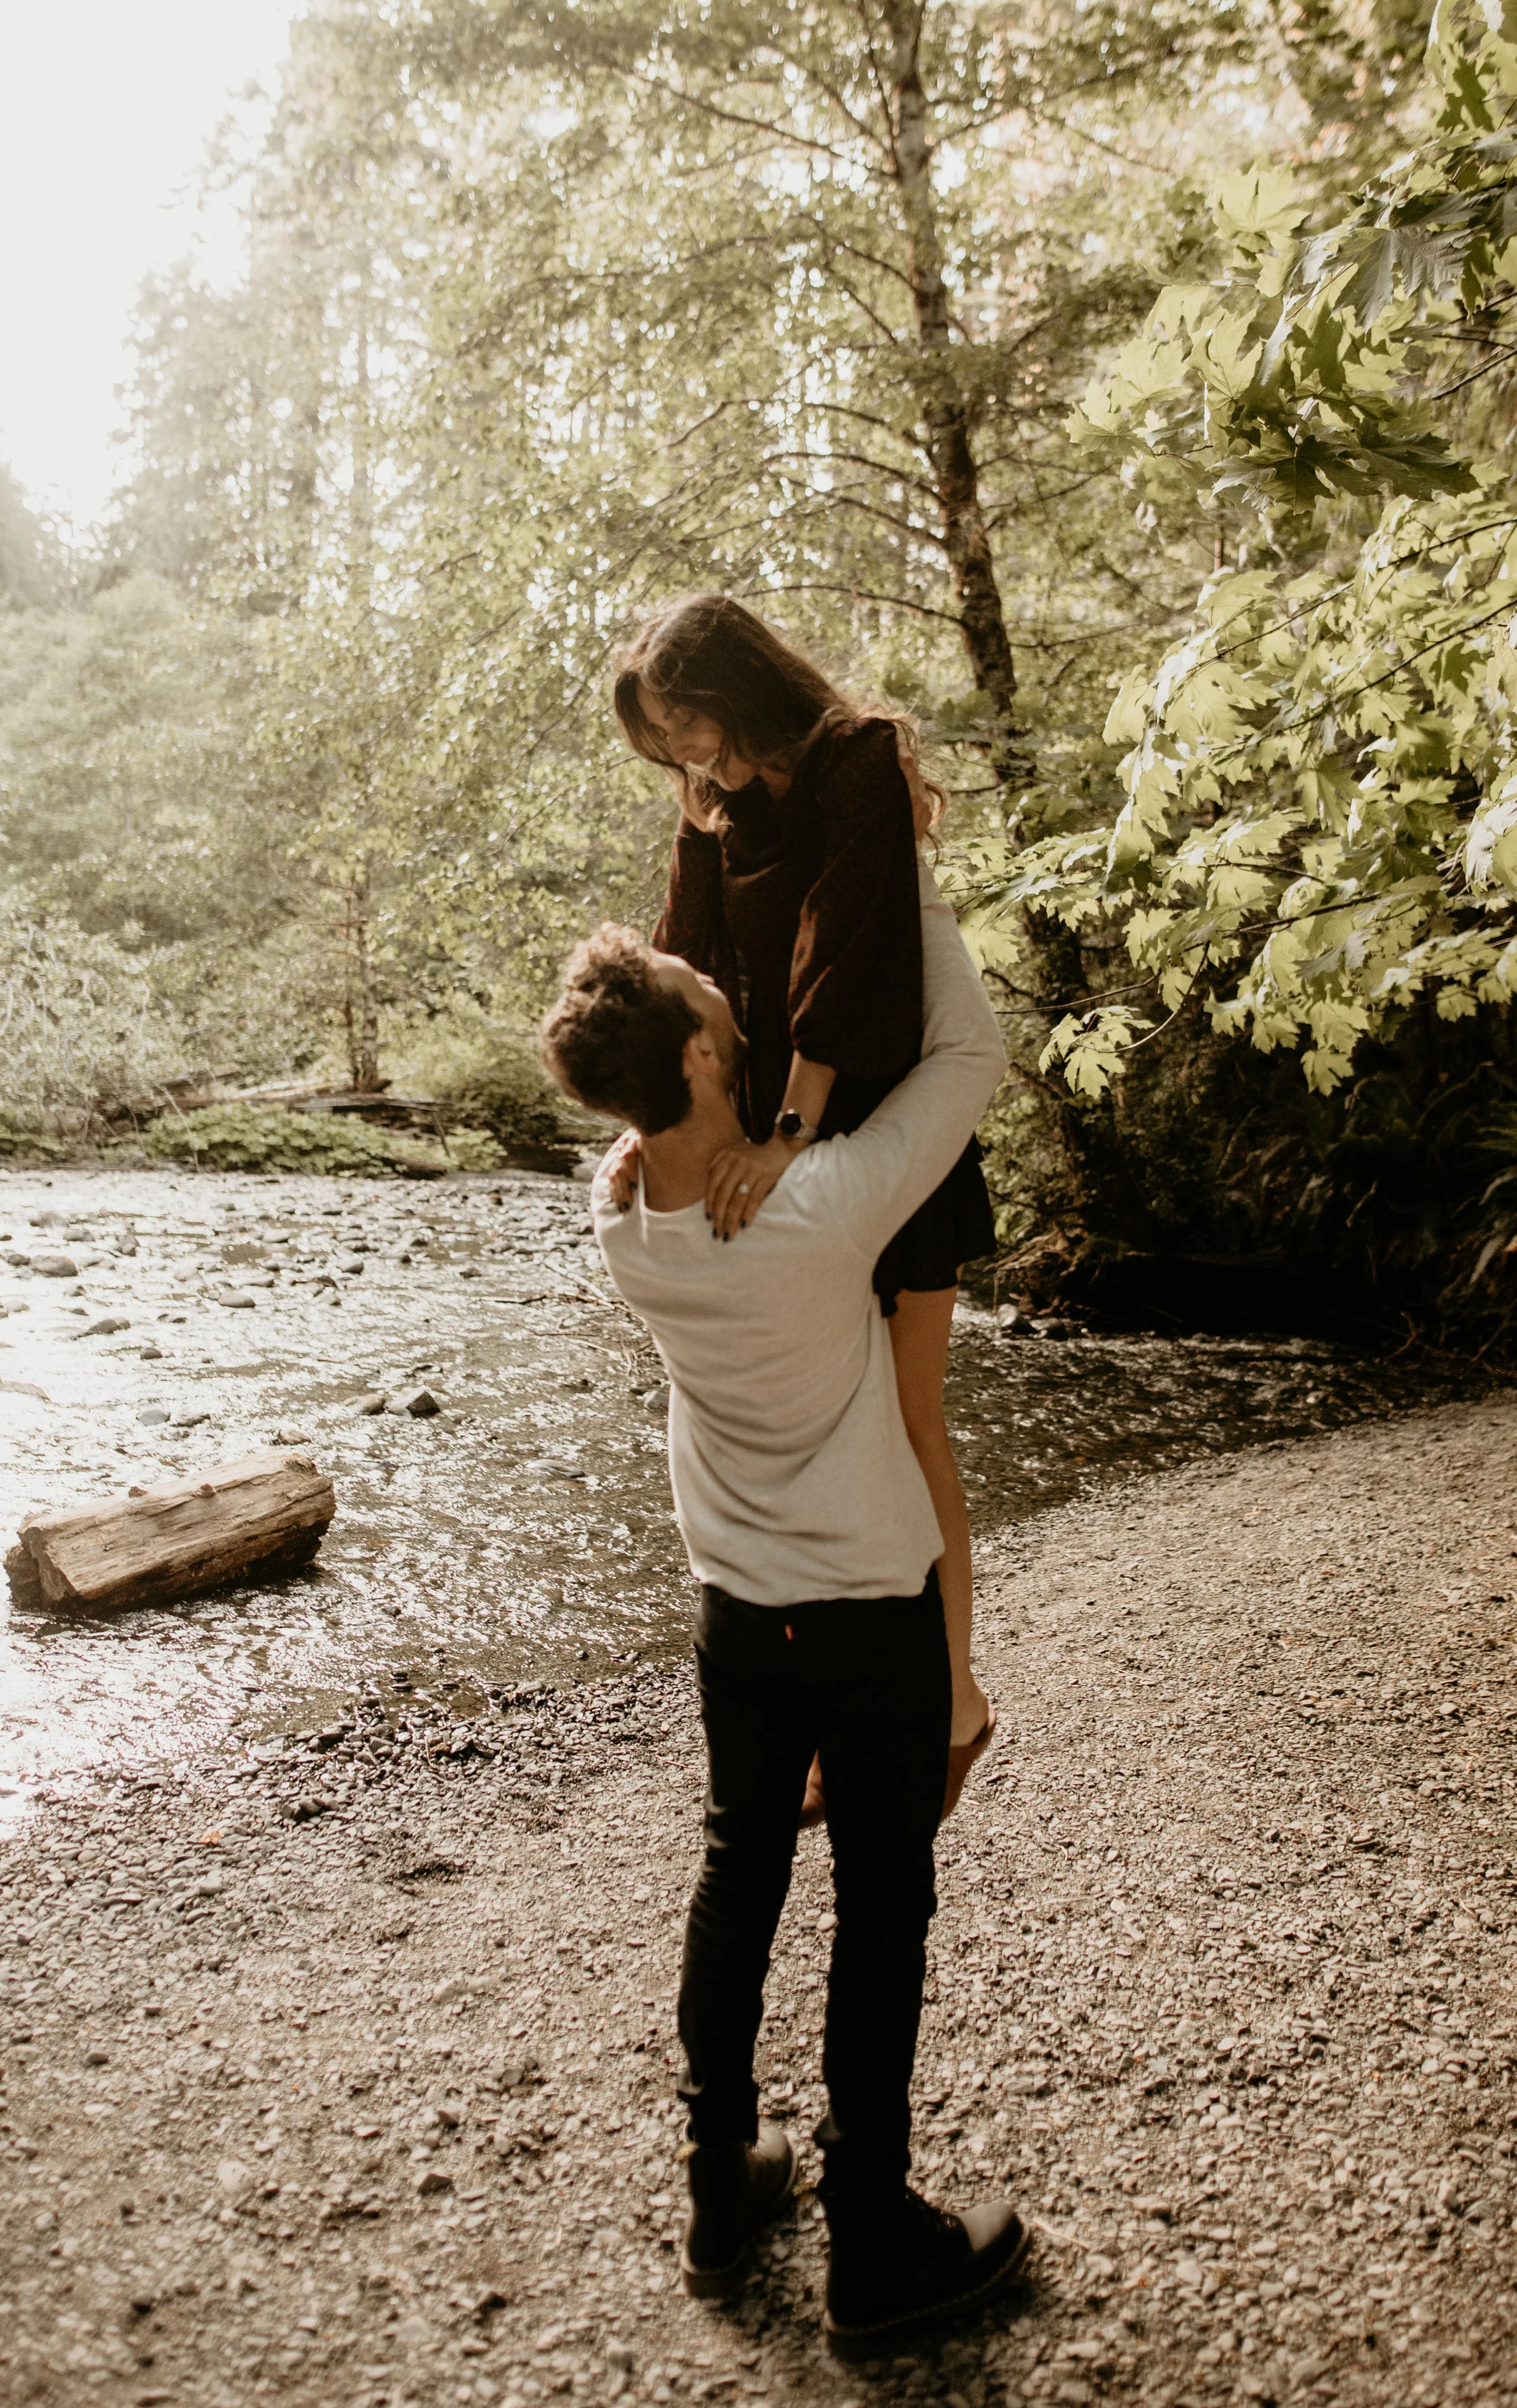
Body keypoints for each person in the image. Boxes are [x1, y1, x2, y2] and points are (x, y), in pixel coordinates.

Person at [539, 871, 1028, 2351]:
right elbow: (969, 1060)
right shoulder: (818, 1209)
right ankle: (873, 2246)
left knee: (737, 1874)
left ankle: (719, 2181)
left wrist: (657, 1130)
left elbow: (647, 1150)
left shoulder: (622, 1221)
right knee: (880, 1914)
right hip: (869, 1610)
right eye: (704, 997)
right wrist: (898, 888)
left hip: (737, 1619)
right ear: (696, 1058)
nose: (724, 996)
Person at [611, 592, 996, 1819]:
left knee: (912, 1425)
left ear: (737, 681)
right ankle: (848, 1716)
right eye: (670, 743)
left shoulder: (853, 755)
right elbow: (678, 965)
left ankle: (953, 1705)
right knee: (821, 1440)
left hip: (872, 1124)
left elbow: (853, 932)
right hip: (765, 1141)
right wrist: (648, 1126)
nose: (690, 758)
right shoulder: (712, 806)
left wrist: (791, 1130)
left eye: (693, 727)